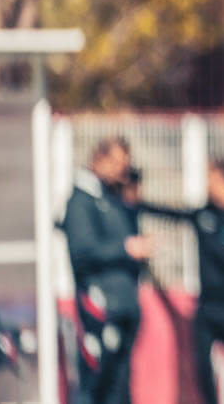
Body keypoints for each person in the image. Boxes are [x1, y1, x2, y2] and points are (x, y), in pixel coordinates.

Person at [140, 158, 224, 404]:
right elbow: (172, 214)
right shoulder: (205, 214)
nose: (207, 185)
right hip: (207, 307)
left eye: (212, 178)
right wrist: (136, 203)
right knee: (202, 367)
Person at [62, 137, 152, 404]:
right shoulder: (81, 201)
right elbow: (83, 251)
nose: (121, 171)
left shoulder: (112, 198)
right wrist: (126, 248)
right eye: (116, 164)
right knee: (96, 382)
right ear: (98, 159)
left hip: (124, 306)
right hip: (100, 308)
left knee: (119, 384)